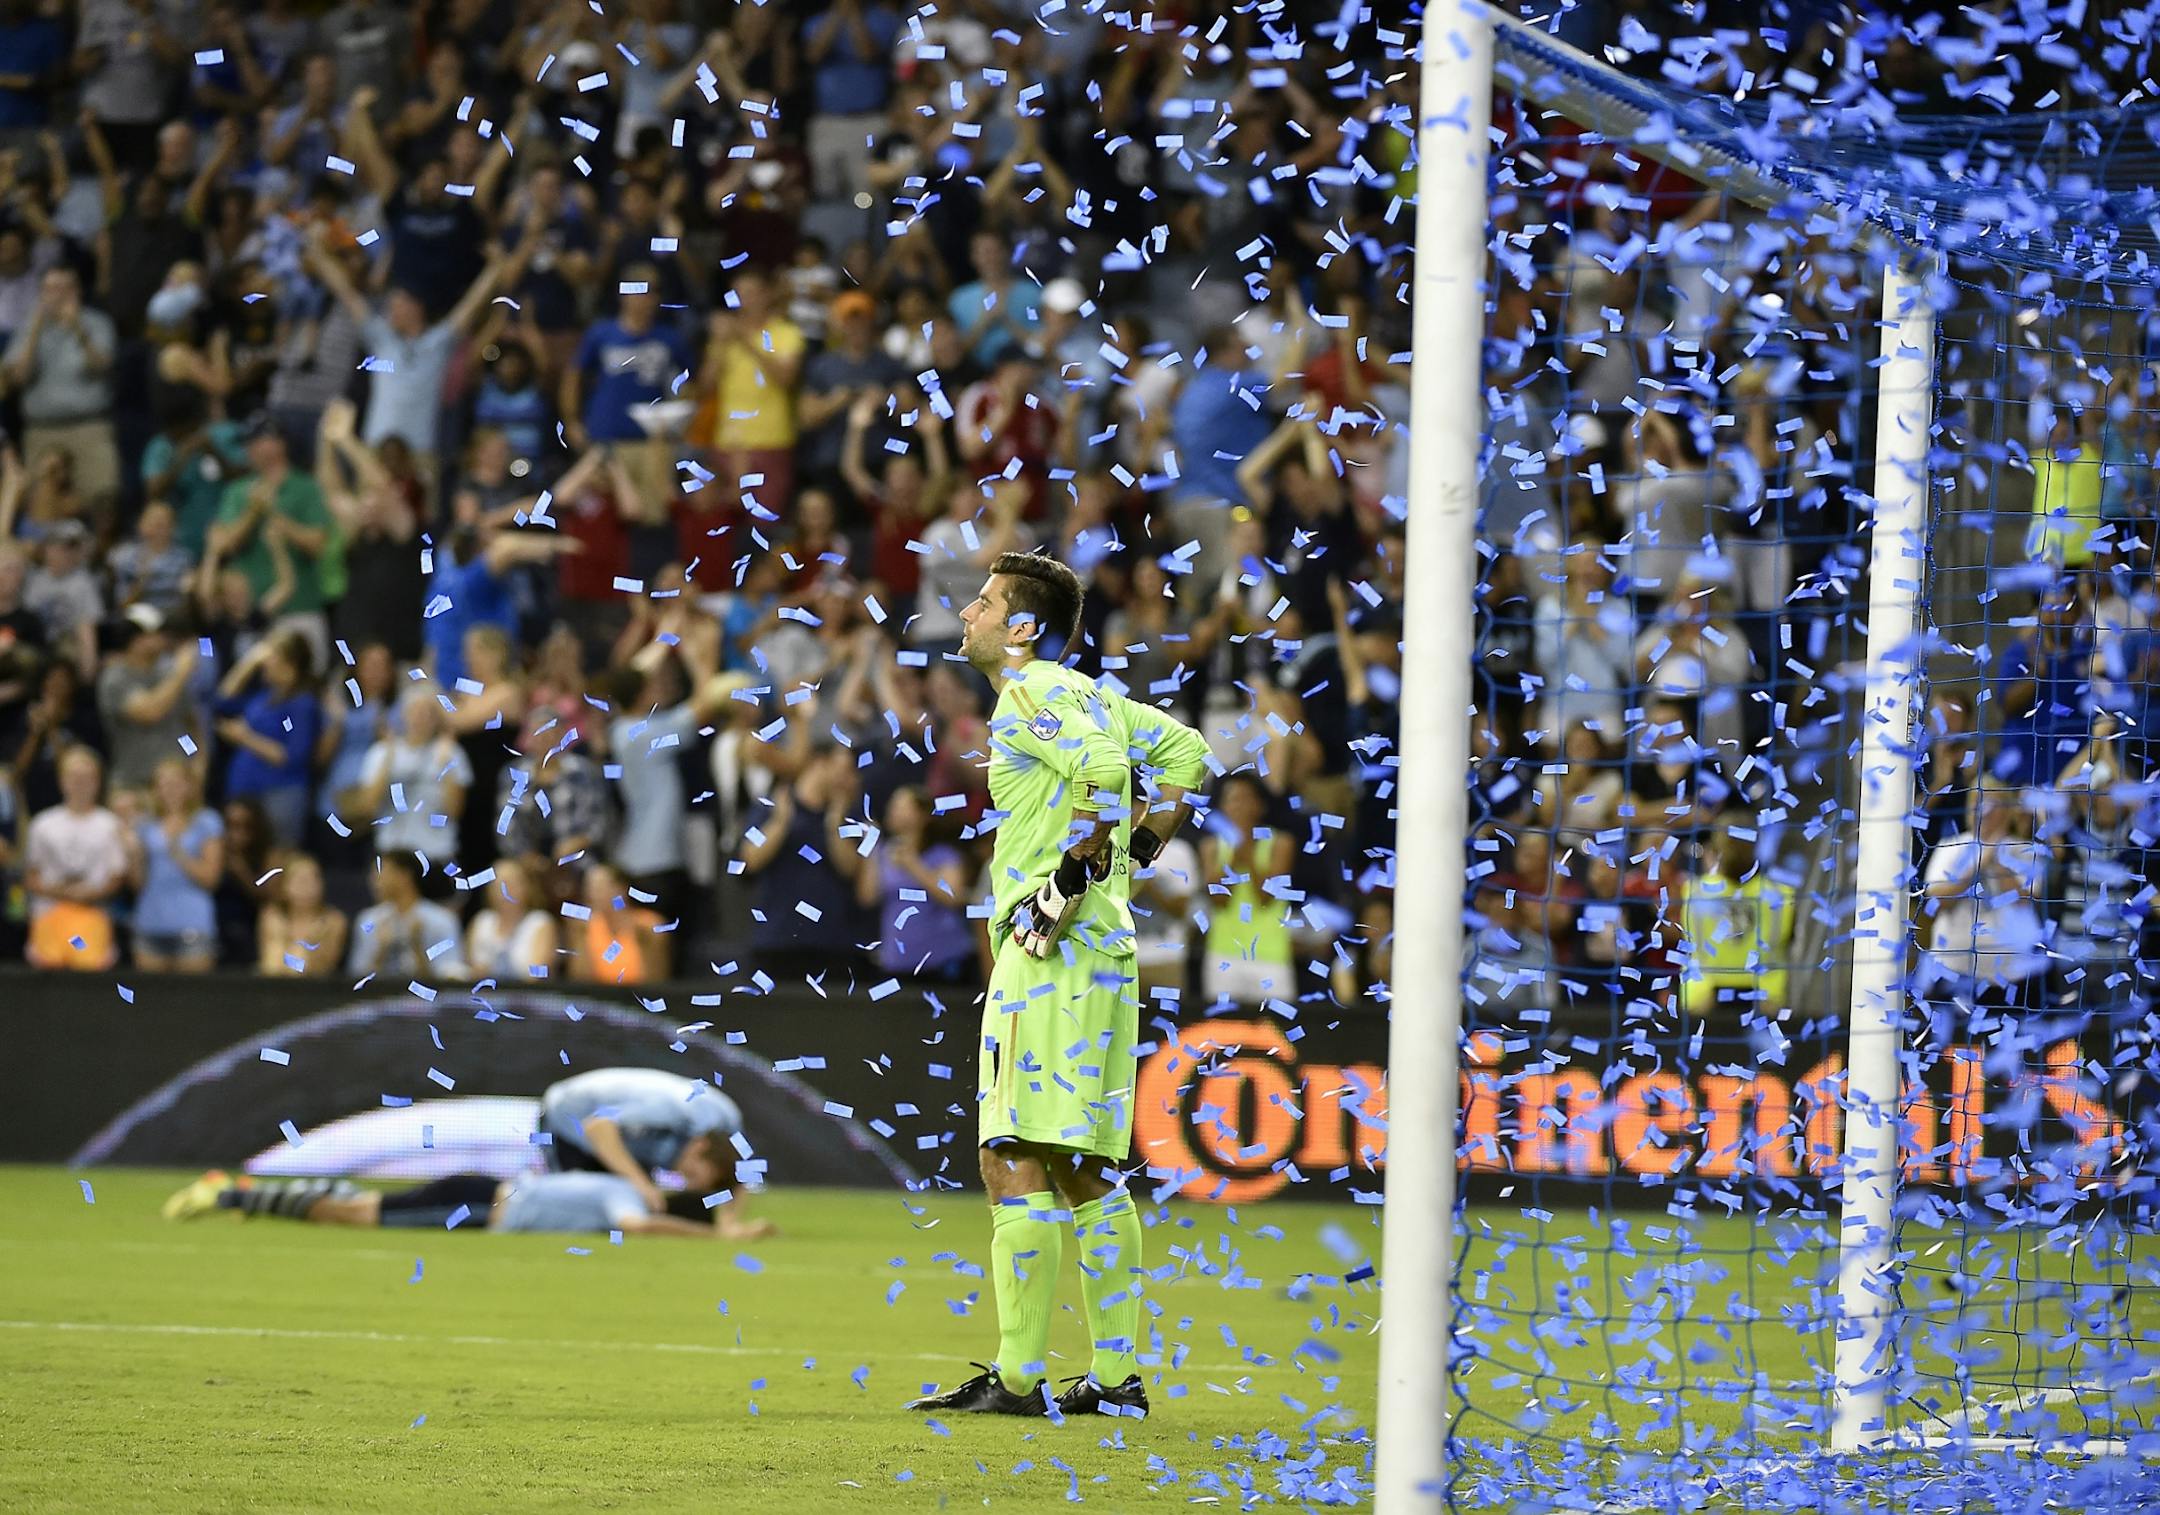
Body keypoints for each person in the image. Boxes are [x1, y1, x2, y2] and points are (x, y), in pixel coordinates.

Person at [906, 551, 1208, 1420]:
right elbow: (1187, 754)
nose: (969, 612)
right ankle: (1114, 1383)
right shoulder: (1095, 694)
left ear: (1022, 626)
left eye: (986, 601)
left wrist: (1067, 882)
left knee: (1009, 1153)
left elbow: (1107, 777)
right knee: (1085, 1165)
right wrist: (1135, 856)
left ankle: (1017, 1377)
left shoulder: (1032, 692)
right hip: (1107, 958)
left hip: (1052, 954)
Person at [160, 1165, 771, 1240]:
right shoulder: (624, 1198)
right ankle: (231, 1191)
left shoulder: (619, 1182)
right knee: (349, 1216)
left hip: (484, 1192)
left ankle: (245, 1195)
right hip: (479, 1208)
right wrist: (716, 1237)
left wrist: (733, 1212)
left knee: (363, 1205)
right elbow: (639, 1227)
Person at [536, 1066, 771, 1237]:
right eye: (690, 1174)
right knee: (590, 1212)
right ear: (699, 1147)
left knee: (630, 1209)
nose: (685, 1182)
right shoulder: (675, 1111)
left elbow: (738, 1175)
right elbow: (598, 1126)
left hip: (625, 1141)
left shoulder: (725, 1125)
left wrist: (729, 1225)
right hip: (567, 1119)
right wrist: (642, 1184)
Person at [22, 744, 128, 970]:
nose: (80, 783)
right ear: (62, 780)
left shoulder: (110, 825)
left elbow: (117, 876)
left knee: (87, 972)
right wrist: (64, 893)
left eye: (86, 777)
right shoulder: (43, 824)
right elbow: (30, 876)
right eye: (73, 776)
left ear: (98, 781)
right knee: (49, 974)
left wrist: (88, 894)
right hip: (50, 916)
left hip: (92, 918)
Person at [123, 758, 224, 973]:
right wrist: (133, 856)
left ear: (189, 786)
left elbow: (211, 879)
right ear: (155, 790)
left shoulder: (206, 822)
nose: (171, 790)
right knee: (151, 1001)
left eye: (177, 783)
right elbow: (137, 885)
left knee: (192, 999)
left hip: (193, 924)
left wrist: (179, 854)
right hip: (150, 923)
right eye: (164, 784)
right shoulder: (145, 825)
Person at [346, 849, 467, 981]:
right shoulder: (368, 921)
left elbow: (450, 977)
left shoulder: (441, 921)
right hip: (379, 998)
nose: (374, 880)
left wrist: (417, 944)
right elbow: (357, 978)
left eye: (381, 872)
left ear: (404, 875)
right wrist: (381, 951)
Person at [465, 855, 558, 983]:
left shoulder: (540, 922)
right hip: (486, 997)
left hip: (528, 996)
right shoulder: (481, 921)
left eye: (511, 884)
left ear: (526, 887)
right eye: (498, 885)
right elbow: (471, 969)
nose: (505, 892)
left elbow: (540, 973)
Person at [257, 852, 348, 978]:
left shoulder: (334, 920)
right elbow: (270, 963)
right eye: (299, 880)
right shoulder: (272, 915)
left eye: (312, 879)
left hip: (317, 987)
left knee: (299, 952)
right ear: (284, 886)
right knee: (276, 951)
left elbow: (326, 964)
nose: (306, 887)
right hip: (273, 984)